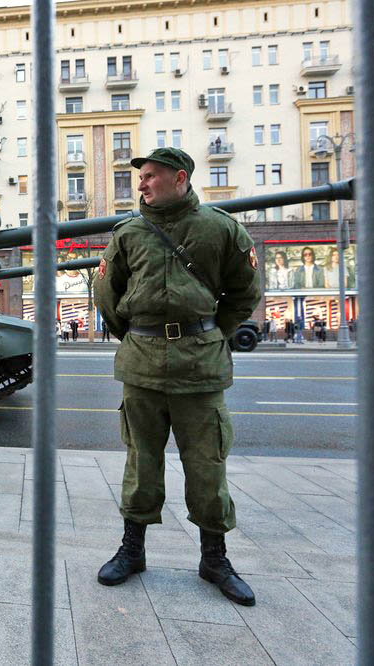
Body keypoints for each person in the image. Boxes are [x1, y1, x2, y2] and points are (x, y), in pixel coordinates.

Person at [95, 147, 260, 606]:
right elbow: (106, 292)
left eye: (150, 176)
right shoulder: (128, 232)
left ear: (180, 178)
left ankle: (214, 558)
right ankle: (132, 551)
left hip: (200, 368)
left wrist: (209, 333)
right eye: (141, 178)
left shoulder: (221, 228)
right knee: (140, 460)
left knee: (207, 465)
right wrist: (137, 335)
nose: (142, 184)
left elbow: (245, 292)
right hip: (142, 365)